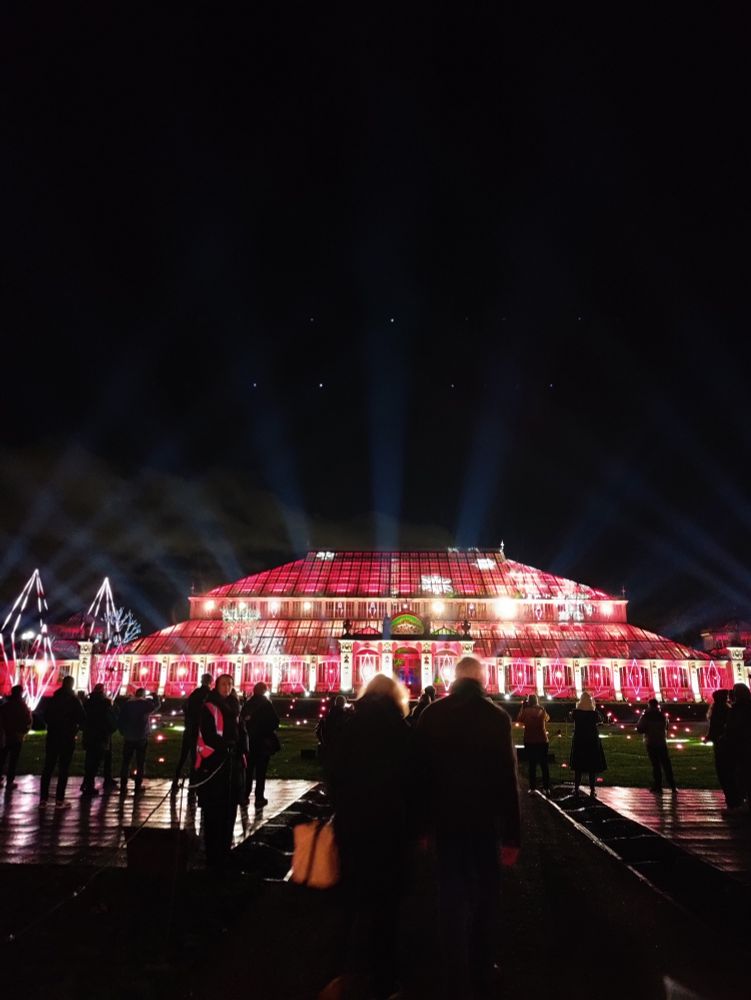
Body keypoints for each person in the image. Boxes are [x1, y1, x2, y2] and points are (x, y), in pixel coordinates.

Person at [417, 656, 520, 998]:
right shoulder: (496, 717)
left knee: (450, 894)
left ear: (453, 678)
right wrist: (512, 835)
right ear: (481, 678)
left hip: (445, 820)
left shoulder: (432, 714)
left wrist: (419, 824)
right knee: (487, 894)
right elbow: (508, 780)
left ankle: (453, 966)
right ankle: (483, 963)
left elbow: (420, 777)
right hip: (484, 819)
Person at [326, 673, 414, 999]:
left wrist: (343, 808)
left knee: (351, 903)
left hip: (353, 824)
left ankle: (343, 974)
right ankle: (383, 979)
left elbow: (333, 773)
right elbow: (413, 780)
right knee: (386, 908)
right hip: (390, 827)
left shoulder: (350, 727)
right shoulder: (402, 730)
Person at [196, 673, 245, 869]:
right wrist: (226, 747)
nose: (227, 687)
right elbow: (207, 735)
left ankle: (225, 849)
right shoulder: (209, 707)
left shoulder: (235, 706)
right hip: (215, 765)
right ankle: (213, 853)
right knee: (214, 812)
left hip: (232, 766)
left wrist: (242, 748)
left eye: (230, 684)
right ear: (216, 686)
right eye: (223, 684)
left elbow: (242, 731)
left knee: (229, 811)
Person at [39, 675, 86, 809]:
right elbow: (83, 718)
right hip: (67, 738)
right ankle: (59, 800)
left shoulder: (54, 699)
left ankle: (43, 799)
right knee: (63, 769)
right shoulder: (73, 700)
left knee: (48, 767)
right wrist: (74, 727)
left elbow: (46, 716)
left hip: (53, 736)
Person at [172, 672, 213, 795]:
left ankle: (175, 782)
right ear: (210, 682)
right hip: (199, 731)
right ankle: (193, 785)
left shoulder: (194, 693)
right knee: (196, 759)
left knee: (183, 757)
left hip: (189, 729)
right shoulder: (208, 695)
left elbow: (185, 707)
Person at [241, 681, 280, 808]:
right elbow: (275, 722)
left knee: (248, 771)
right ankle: (259, 798)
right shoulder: (266, 704)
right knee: (261, 772)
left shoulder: (248, 703)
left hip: (249, 743)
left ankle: (245, 796)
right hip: (263, 742)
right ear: (264, 691)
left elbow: (242, 721)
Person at [117, 687, 160, 796]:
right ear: (143, 695)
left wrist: (123, 731)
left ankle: (123, 785)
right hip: (141, 736)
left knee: (126, 762)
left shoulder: (128, 704)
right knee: (140, 762)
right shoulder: (145, 704)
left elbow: (121, 718)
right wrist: (155, 696)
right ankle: (138, 785)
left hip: (129, 736)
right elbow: (157, 706)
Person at [80, 684, 119, 796]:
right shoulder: (105, 703)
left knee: (90, 761)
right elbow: (111, 718)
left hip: (89, 736)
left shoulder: (87, 702)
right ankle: (89, 786)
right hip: (101, 736)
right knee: (96, 762)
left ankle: (87, 783)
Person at [704, 689, 738, 808]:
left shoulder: (717, 710)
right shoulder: (728, 710)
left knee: (724, 770)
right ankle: (733, 798)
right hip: (727, 743)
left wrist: (709, 736)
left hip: (722, 743)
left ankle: (732, 799)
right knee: (730, 770)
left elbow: (714, 727)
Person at [569, 690, 607, 797]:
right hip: (591, 740)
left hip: (579, 740)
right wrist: (594, 707)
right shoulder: (593, 713)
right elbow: (601, 719)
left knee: (578, 766)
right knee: (592, 767)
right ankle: (592, 789)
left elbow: (571, 717)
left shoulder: (576, 712)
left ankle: (576, 789)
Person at [636, 698, 677, 793]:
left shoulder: (646, 716)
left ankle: (658, 785)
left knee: (656, 765)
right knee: (666, 764)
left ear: (649, 705)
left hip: (651, 742)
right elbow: (666, 727)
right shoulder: (662, 716)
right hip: (661, 742)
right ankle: (672, 785)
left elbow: (640, 728)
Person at [0, 685, 33, 792]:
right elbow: (28, 720)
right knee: (13, 760)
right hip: (17, 736)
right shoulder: (22, 706)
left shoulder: (6, 706)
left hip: (5, 735)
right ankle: (10, 781)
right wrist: (24, 731)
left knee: (2, 757)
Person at [724, 683, 751, 812]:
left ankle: (741, 803)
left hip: (741, 746)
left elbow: (732, 728)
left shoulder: (737, 709)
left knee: (742, 773)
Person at [517, 694, 551, 794]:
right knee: (544, 765)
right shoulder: (542, 709)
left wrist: (523, 707)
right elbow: (547, 718)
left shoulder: (525, 711)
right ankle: (546, 788)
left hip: (530, 740)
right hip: (542, 740)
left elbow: (519, 719)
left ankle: (532, 788)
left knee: (532, 765)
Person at [315, 694, 349, 759]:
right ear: (344, 703)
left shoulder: (329, 713)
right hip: (336, 740)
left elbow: (319, 730)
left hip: (327, 739)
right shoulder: (343, 714)